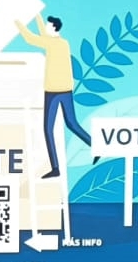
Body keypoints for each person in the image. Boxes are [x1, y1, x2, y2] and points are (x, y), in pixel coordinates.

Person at [14, 13, 91, 179]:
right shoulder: (62, 43)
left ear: (54, 28)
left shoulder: (51, 43)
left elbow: (30, 38)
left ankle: (55, 168)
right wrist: (37, 16)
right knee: (72, 123)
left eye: (48, 26)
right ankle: (95, 146)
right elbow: (43, 34)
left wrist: (17, 21)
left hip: (53, 91)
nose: (46, 28)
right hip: (66, 90)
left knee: (48, 129)